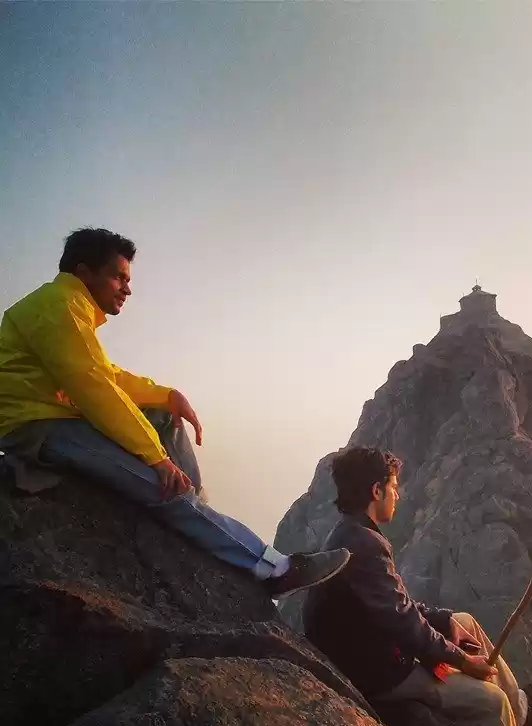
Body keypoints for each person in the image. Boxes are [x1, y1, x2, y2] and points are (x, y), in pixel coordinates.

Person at [0, 227, 348, 596]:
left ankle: (193, 507)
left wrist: (167, 396)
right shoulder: (59, 307)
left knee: (164, 417)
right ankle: (274, 569)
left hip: (57, 415)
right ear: (84, 273)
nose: (127, 289)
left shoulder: (66, 306)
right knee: (161, 487)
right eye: (118, 277)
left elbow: (107, 375)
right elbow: (95, 388)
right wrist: (157, 460)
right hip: (37, 427)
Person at [302, 446, 532, 726]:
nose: (398, 493)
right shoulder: (365, 544)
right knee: (491, 704)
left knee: (464, 620)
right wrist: (463, 662)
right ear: (376, 490)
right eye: (393, 486)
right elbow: (404, 622)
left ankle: (519, 715)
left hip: (375, 648)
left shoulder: (351, 532)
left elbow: (397, 604)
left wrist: (445, 620)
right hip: (379, 672)